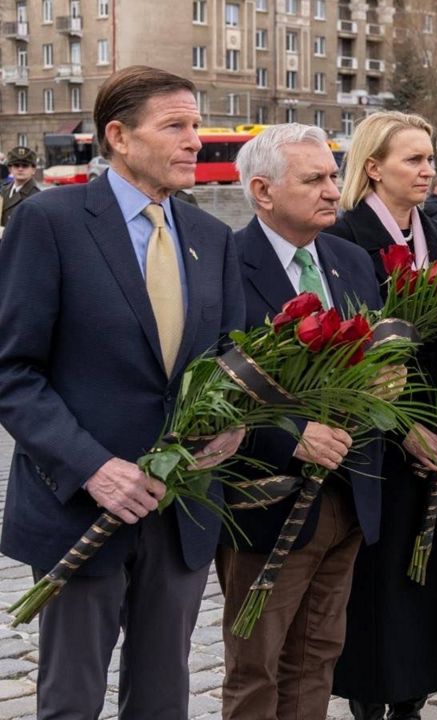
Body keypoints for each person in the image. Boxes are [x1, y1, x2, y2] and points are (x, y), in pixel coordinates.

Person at [0, 65, 245, 718]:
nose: (195, 139)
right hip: (82, 508)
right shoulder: (49, 223)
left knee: (164, 698)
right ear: (119, 136)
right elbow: (13, 373)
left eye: (196, 125)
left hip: (183, 511)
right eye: (176, 126)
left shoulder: (211, 239)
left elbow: (230, 360)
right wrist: (94, 468)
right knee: (71, 701)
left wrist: (234, 423)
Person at [215, 123, 385, 719]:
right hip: (266, 503)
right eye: (314, 179)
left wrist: (389, 386)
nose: (333, 190)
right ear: (262, 191)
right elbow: (210, 387)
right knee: (256, 666)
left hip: (349, 492)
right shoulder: (226, 263)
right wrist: (290, 436)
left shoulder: (349, 259)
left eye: (334, 176)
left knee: (317, 656)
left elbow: (378, 356)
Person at [327, 111, 437, 720]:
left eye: (431, 159)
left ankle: (415, 702)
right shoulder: (344, 239)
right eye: (414, 160)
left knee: (433, 582)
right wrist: (405, 426)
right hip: (381, 447)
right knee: (381, 589)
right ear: (373, 168)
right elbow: (344, 357)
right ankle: (371, 704)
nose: (429, 171)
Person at [1, 146, 40, 228]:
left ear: (33, 170)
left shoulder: (37, 196)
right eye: (16, 165)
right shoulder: (3, 190)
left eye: (25, 166)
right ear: (10, 169)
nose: (20, 169)